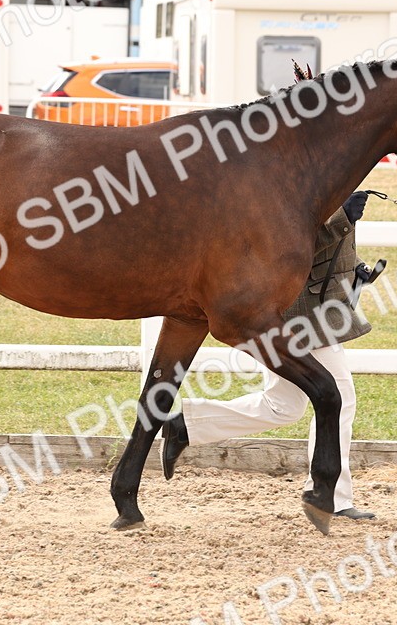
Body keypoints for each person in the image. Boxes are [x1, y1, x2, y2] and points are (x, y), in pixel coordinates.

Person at [160, 190, 380, 520]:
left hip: (311, 307)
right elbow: (287, 246)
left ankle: (187, 426)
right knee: (341, 395)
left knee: (284, 406)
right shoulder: (297, 174)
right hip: (299, 310)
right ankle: (329, 494)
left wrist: (355, 269)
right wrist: (343, 220)